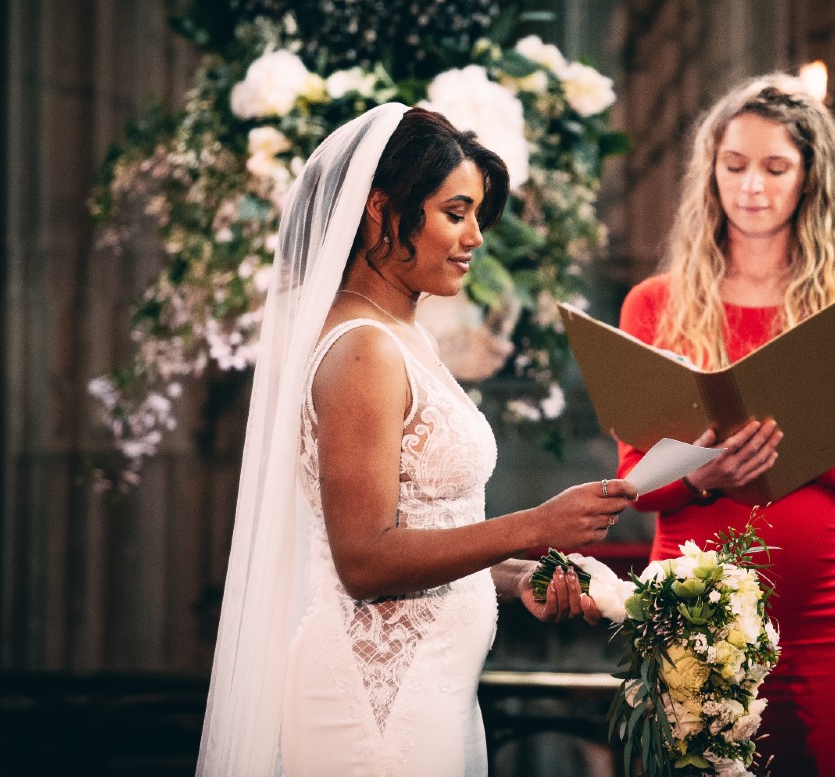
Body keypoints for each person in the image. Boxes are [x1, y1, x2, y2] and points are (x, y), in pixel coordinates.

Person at [197, 103, 637, 777]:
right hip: (374, 701)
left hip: (429, 689)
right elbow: (363, 559)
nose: (475, 238)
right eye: (455, 213)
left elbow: (426, 530)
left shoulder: (404, 335)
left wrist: (517, 575)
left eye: (476, 216)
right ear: (380, 211)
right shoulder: (362, 349)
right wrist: (535, 526)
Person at [615, 75, 835, 777]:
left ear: (810, 178)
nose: (751, 186)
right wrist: (702, 474)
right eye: (734, 166)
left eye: (775, 168)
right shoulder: (655, 304)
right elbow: (633, 481)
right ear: (711, 173)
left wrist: (831, 457)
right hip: (696, 615)